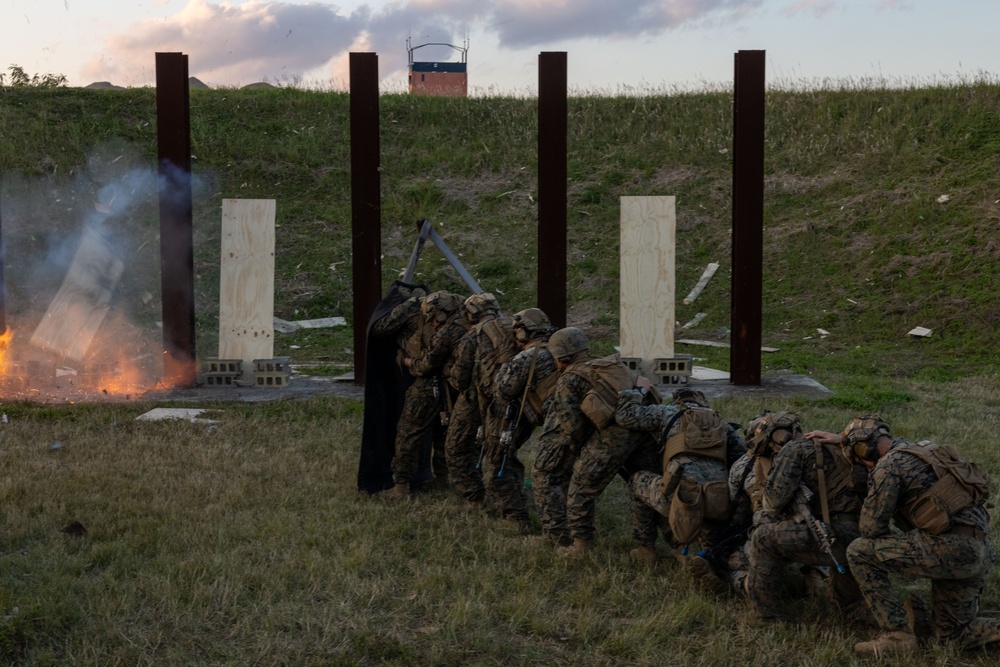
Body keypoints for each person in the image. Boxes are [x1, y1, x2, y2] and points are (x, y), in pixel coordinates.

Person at [815, 415, 1000, 655]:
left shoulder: (888, 467)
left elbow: (870, 528)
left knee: (860, 551)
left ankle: (897, 635)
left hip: (951, 549)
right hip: (980, 550)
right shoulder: (923, 450)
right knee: (953, 636)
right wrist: (843, 440)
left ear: (864, 452)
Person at [745, 412, 869, 622]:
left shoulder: (794, 450)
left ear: (780, 437)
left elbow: (772, 504)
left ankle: (765, 615)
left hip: (832, 536)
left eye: (771, 445)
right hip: (862, 534)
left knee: (763, 539)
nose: (773, 451)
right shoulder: (842, 445)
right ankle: (855, 604)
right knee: (843, 607)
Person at [616, 384, 745, 568]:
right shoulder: (721, 423)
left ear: (677, 402)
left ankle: (646, 549)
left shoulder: (667, 412)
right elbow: (742, 457)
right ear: (703, 402)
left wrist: (638, 392)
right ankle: (698, 555)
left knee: (637, 480)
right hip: (717, 500)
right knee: (712, 549)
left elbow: (625, 416)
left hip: (679, 498)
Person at [559, 333, 661, 558]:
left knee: (580, 488)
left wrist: (580, 449)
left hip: (612, 437)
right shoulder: (604, 365)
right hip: (642, 429)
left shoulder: (569, 379)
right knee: (647, 486)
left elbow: (572, 424)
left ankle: (581, 546)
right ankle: (650, 547)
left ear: (561, 358)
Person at [687, 410, 801, 595]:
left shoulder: (742, 466)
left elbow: (737, 512)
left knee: (734, 561)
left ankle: (741, 583)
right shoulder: (811, 454)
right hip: (815, 532)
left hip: (769, 534)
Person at [384, 290, 468, 498]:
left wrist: (407, 362)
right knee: (444, 432)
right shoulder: (466, 325)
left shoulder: (445, 333)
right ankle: (442, 478)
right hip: (455, 388)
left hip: (428, 387)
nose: (431, 322)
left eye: (433, 317)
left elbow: (425, 366)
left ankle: (401, 486)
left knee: (408, 433)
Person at [458, 293, 527, 528]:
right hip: (525, 403)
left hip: (498, 404)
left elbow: (460, 377)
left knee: (497, 459)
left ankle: (514, 516)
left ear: (471, 315)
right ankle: (518, 499)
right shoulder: (514, 327)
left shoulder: (473, 336)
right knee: (509, 453)